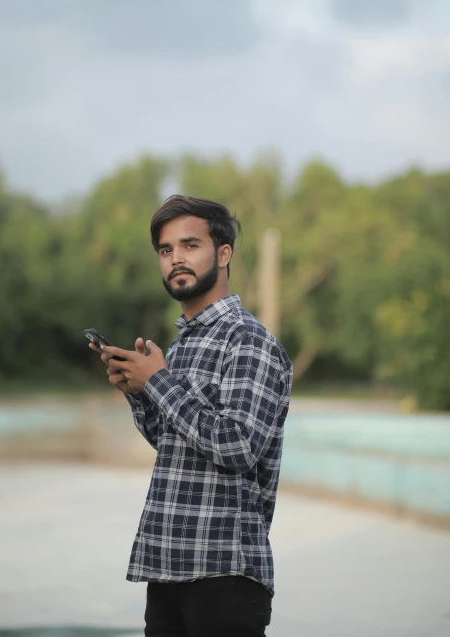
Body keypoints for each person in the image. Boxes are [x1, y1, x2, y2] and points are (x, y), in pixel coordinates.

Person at [91, 195, 292, 637]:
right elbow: (175, 443)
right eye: (166, 251)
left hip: (224, 574)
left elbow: (237, 446)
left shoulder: (248, 340)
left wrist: (159, 382)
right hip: (168, 565)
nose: (176, 259)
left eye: (189, 245)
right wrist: (140, 393)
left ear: (223, 254)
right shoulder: (180, 346)